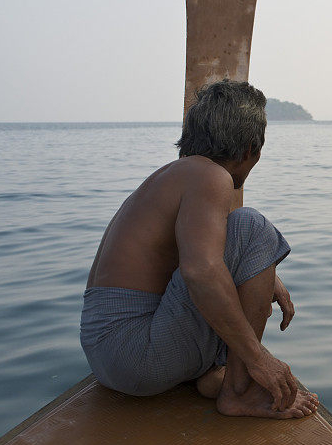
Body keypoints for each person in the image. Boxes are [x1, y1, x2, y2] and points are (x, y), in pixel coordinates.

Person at [80, 79, 318, 419]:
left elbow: (194, 257)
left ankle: (213, 377)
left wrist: (262, 271)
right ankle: (239, 391)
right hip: (136, 353)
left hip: (107, 357)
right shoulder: (210, 177)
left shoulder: (174, 176)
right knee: (252, 224)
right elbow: (201, 270)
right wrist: (259, 359)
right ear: (252, 149)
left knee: (241, 232)